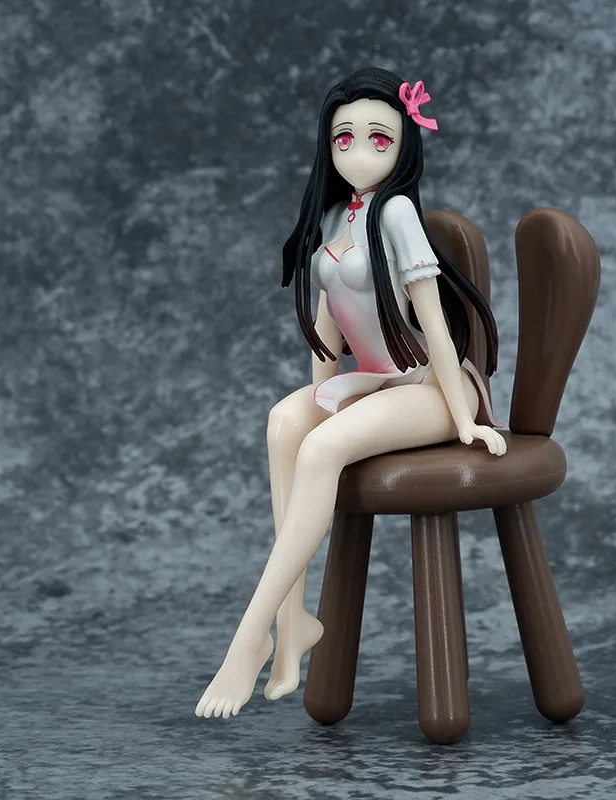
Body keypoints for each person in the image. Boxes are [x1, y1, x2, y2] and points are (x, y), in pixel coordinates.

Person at [196, 67, 506, 719]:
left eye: (379, 139)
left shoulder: (396, 213)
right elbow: (328, 329)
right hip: (370, 381)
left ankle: (248, 640)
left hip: (428, 383)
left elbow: (436, 328)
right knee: (285, 424)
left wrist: (466, 420)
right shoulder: (336, 215)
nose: (360, 153)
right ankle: (292, 628)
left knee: (320, 450)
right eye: (345, 139)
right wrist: (320, 401)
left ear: (403, 146)